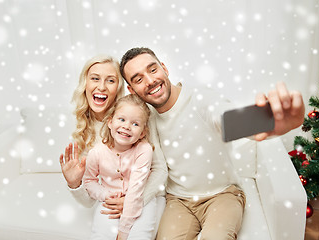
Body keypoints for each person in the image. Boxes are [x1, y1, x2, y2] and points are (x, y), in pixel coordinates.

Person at [119, 47, 305, 240]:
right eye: (138, 79)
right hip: (178, 201)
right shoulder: (145, 119)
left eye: (152, 69)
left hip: (222, 195)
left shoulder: (200, 98)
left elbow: (224, 117)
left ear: (164, 68)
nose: (150, 81)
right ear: (132, 90)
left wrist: (266, 122)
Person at [59, 55, 167, 239]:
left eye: (110, 80)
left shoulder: (136, 116)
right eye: (95, 78)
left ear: (118, 87)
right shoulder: (81, 130)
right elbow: (89, 197)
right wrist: (74, 183)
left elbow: (160, 170)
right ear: (85, 84)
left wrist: (133, 200)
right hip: (112, 200)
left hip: (146, 197)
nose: (101, 87)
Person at [83, 94, 155, 240]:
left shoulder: (144, 150)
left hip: (140, 199)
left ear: (142, 133)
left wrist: (123, 233)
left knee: (140, 236)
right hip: (110, 202)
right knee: (101, 235)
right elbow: (89, 181)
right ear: (110, 122)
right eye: (121, 119)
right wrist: (105, 195)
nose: (126, 126)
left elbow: (135, 192)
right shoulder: (97, 152)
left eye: (135, 124)